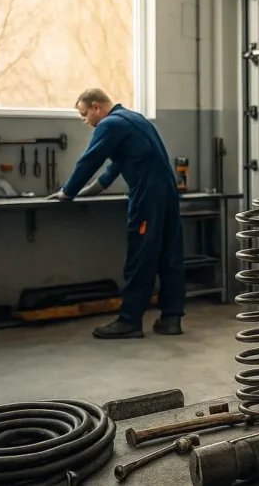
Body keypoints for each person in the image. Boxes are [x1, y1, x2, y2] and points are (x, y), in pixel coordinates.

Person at [49, 89, 185, 339]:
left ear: (97, 107)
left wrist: (67, 193)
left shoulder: (109, 125)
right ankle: (171, 318)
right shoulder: (135, 119)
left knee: (141, 258)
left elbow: (89, 160)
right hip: (167, 194)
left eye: (84, 114)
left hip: (147, 197)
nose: (85, 121)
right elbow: (116, 165)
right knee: (170, 255)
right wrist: (91, 190)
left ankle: (129, 321)